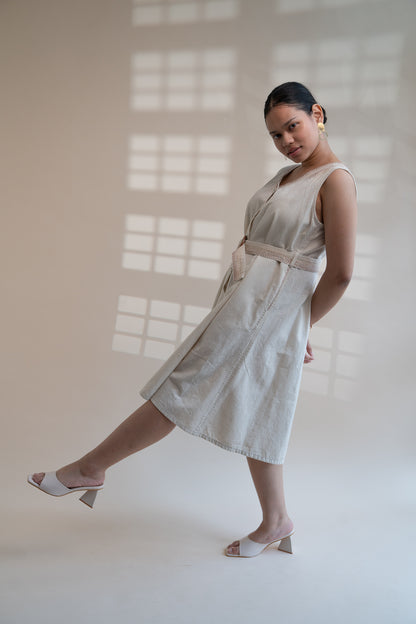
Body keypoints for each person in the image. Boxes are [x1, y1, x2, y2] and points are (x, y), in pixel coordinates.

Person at [28, 82, 357, 558]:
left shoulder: (335, 180)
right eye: (276, 134)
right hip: (245, 303)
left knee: (180, 387)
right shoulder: (290, 175)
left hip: (266, 312)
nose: (287, 140)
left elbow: (341, 273)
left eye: (293, 126)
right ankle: (277, 520)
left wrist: (300, 325)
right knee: (260, 407)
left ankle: (90, 468)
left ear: (317, 115)